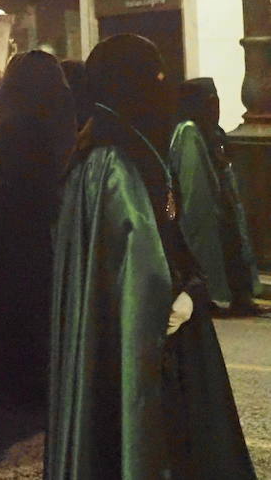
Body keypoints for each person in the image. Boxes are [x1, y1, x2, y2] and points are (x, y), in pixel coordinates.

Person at [47, 34, 254, 480]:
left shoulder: (116, 150)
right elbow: (139, 271)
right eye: (155, 76)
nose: (164, 86)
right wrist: (177, 295)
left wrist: (189, 286)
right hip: (151, 343)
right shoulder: (114, 162)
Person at [0, 51, 75, 406]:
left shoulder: (12, 123)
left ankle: (11, 376)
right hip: (44, 228)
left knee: (12, 304)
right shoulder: (55, 119)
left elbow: (4, 179)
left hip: (11, 230)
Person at [170, 77, 262, 313]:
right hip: (210, 216)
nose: (216, 108)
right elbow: (194, 190)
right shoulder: (189, 132)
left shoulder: (211, 132)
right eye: (211, 103)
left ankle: (238, 298)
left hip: (222, 214)